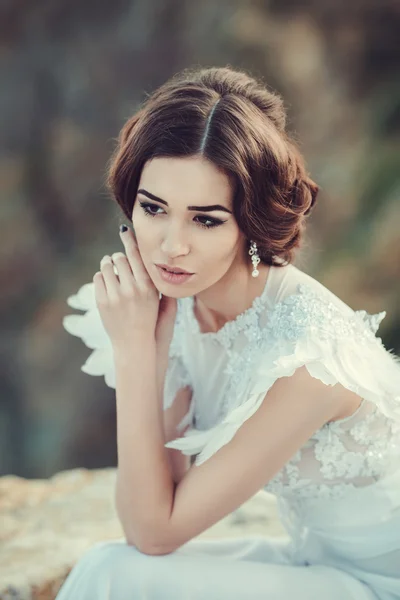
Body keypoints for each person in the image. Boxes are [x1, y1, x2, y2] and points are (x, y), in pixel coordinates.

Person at [57, 66, 400, 599]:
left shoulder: (308, 357)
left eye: (206, 219)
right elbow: (155, 503)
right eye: (154, 209)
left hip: (378, 584)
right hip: (310, 562)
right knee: (107, 567)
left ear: (251, 222)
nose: (172, 246)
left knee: (116, 573)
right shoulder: (180, 307)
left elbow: (154, 534)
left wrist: (133, 354)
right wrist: (151, 346)